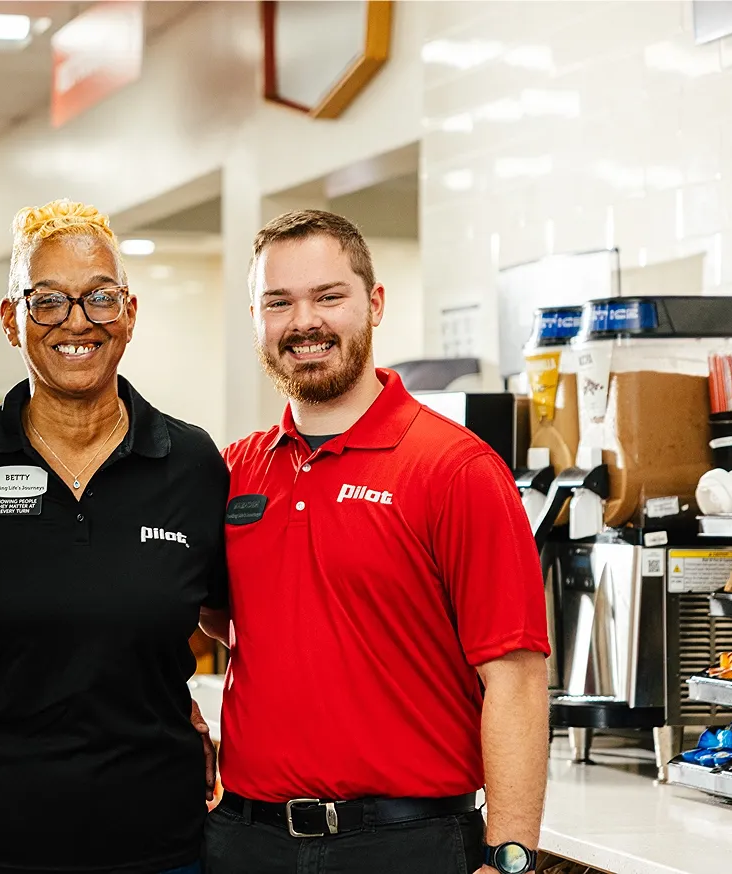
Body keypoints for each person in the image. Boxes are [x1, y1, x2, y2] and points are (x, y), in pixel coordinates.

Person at [201, 210, 550, 874]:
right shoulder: (235, 470)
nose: (305, 321)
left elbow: (516, 679)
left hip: (405, 845)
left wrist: (510, 857)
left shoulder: (456, 470)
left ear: (374, 303)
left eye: (328, 296)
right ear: (256, 319)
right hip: (247, 841)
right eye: (279, 302)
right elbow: (217, 616)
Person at [0, 199, 228, 874]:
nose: (76, 322)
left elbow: (231, 621)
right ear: (10, 321)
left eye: (99, 298)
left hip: (151, 842)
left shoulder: (191, 465)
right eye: (47, 300)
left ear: (129, 314)